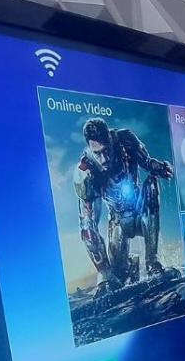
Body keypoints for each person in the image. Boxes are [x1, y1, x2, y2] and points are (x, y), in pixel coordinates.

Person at [74, 117, 175, 295]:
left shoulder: (126, 140)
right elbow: (88, 226)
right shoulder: (86, 171)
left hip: (140, 208)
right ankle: (131, 265)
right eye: (98, 153)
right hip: (118, 219)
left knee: (151, 185)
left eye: (106, 151)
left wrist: (160, 167)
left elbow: (146, 162)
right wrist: (105, 275)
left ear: (110, 139)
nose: (104, 159)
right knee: (119, 277)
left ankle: (153, 262)